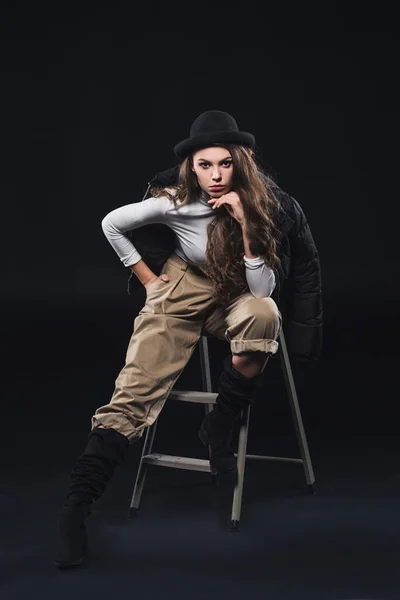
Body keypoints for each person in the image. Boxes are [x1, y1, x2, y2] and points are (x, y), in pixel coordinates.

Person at [54, 110, 323, 569]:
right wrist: (146, 279)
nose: (215, 176)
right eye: (204, 165)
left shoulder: (268, 206)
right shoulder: (176, 201)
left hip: (239, 289)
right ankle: (77, 507)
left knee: (265, 314)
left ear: (242, 162)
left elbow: (261, 291)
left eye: (225, 164)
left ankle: (219, 425)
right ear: (190, 167)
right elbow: (112, 224)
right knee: (133, 391)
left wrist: (245, 227)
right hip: (182, 288)